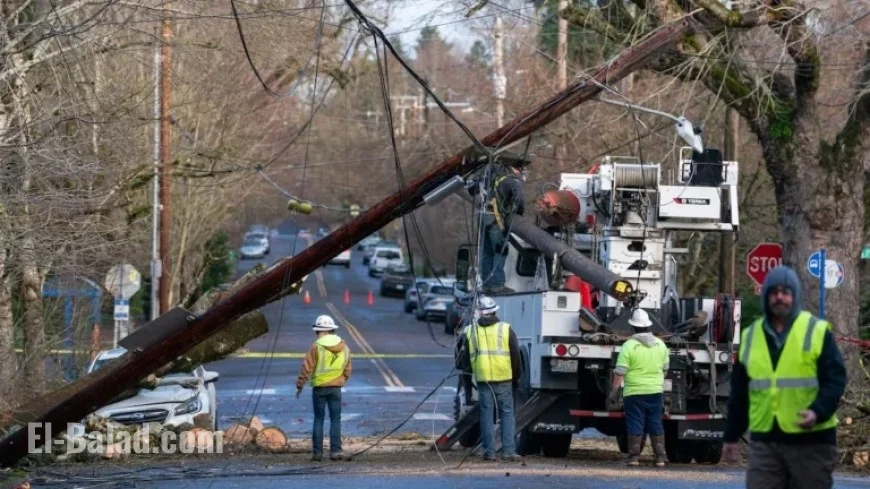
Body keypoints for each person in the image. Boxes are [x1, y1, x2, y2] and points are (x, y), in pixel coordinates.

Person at [722, 265, 846, 489]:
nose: (780, 297)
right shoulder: (750, 336)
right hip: (765, 443)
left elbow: (835, 380)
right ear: (766, 296)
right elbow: (740, 394)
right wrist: (731, 436)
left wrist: (818, 411)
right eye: (774, 292)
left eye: (786, 292)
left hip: (811, 441)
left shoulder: (816, 331)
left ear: (795, 296)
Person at [457, 295, 523, 461]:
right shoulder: (506, 329)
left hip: (483, 378)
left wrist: (470, 376)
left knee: (486, 415)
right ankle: (508, 451)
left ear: (479, 313)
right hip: (504, 378)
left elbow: (463, 361)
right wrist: (516, 377)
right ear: (494, 311)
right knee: (507, 414)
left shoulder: (470, 331)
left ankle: (489, 452)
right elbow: (516, 355)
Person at [608, 308, 669, 467]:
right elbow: (665, 369)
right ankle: (660, 458)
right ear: (649, 326)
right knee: (655, 421)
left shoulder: (629, 346)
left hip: (634, 392)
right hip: (655, 391)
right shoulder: (661, 345)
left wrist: (614, 391)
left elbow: (620, 372)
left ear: (633, 327)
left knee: (635, 422)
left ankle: (634, 457)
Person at [296, 315, 352, 462]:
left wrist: (300, 385)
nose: (316, 334)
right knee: (335, 420)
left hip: (319, 388)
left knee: (319, 419)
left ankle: (317, 453)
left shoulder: (317, 346)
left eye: (317, 331)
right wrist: (341, 380)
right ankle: (335, 451)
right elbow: (348, 368)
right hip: (336, 389)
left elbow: (306, 367)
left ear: (323, 331)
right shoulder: (344, 347)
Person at [466, 162, 525, 294]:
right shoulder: (510, 181)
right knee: (500, 250)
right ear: (513, 168)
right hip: (494, 218)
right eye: (519, 169)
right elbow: (519, 200)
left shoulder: (486, 177)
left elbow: (471, 191)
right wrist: (518, 212)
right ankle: (498, 284)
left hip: (482, 217)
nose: (520, 173)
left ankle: (486, 285)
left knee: (486, 252)